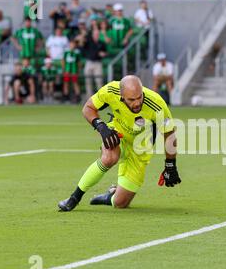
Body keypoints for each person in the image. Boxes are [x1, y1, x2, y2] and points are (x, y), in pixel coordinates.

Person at [58, 75, 181, 212]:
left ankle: (110, 196)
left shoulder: (156, 104)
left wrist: (170, 165)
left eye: (140, 97)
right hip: (117, 135)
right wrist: (101, 127)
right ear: (122, 96)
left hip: (140, 150)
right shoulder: (111, 91)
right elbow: (88, 108)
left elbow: (169, 135)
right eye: (131, 100)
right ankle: (74, 198)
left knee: (120, 203)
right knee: (109, 158)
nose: (137, 103)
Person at [81, 28, 107, 101]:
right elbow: (82, 44)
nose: (96, 35)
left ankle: (101, 99)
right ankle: (89, 99)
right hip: (89, 62)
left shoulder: (101, 43)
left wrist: (103, 54)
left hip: (98, 63)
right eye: (95, 34)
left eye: (97, 34)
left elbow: (105, 52)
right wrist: (83, 35)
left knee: (99, 81)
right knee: (88, 81)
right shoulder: (89, 41)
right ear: (92, 35)